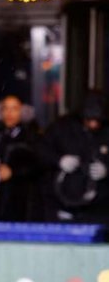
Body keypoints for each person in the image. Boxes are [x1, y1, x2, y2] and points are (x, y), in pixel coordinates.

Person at [39, 91, 109, 224]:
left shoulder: (106, 131)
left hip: (100, 209)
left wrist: (107, 170)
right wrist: (59, 160)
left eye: (97, 121)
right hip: (62, 203)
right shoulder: (62, 127)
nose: (93, 125)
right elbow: (41, 150)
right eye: (90, 120)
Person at [0, 96, 42, 222]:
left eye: (14, 109)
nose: (9, 113)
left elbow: (38, 164)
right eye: (5, 109)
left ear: (22, 112)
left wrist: (13, 172)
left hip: (22, 197)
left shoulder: (31, 135)